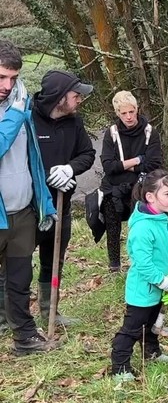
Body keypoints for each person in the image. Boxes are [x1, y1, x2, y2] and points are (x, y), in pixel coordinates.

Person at [0, 40, 58, 354]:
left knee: (20, 277)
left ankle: (24, 336)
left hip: (22, 210)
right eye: (1, 78)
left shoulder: (20, 105)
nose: (7, 86)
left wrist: (44, 202)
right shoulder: (19, 110)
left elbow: (31, 160)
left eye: (13, 78)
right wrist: (17, 114)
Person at [30, 70, 96, 328]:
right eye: (75, 94)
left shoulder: (74, 122)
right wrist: (48, 177)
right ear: (59, 97)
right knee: (19, 263)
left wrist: (69, 169)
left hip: (62, 203)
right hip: (31, 208)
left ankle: (50, 312)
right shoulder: (29, 120)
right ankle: (9, 317)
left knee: (53, 260)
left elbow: (87, 153)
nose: (79, 99)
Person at [110, 169, 168, 382]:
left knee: (153, 325)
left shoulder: (164, 218)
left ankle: (152, 353)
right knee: (132, 329)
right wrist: (161, 280)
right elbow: (143, 263)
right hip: (143, 290)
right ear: (150, 197)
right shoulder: (142, 228)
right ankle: (120, 366)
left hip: (161, 287)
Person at [100, 91, 163, 272]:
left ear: (137, 110)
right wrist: (137, 160)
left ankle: (140, 261)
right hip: (114, 185)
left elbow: (153, 164)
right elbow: (108, 166)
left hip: (141, 185)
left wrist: (123, 165)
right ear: (117, 113)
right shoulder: (111, 133)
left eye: (131, 112)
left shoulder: (150, 132)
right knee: (112, 222)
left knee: (140, 226)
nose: (128, 116)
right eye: (123, 113)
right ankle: (114, 266)